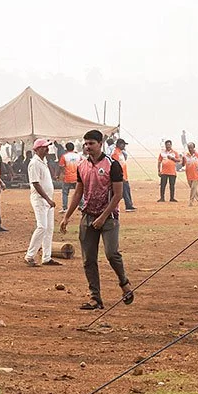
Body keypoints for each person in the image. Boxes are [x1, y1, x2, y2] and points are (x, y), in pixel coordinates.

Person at [67, 129, 133, 309]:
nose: (88, 147)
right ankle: (95, 298)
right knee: (89, 260)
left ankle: (124, 283)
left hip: (109, 217)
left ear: (100, 144)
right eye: (86, 144)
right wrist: (67, 217)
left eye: (91, 144)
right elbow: (78, 191)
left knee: (112, 254)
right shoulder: (82, 165)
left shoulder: (113, 165)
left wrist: (103, 217)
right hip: (88, 216)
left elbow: (118, 195)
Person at [25, 139, 61, 266]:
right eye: (44, 147)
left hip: (47, 200)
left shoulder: (43, 161)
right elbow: (35, 183)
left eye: (47, 147)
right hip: (40, 199)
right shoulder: (34, 163)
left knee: (49, 228)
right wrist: (47, 199)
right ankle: (30, 256)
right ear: (37, 149)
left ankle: (47, 257)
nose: (47, 149)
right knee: (42, 227)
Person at [112, 138, 135, 211]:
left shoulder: (121, 152)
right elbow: (115, 165)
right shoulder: (115, 153)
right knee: (124, 191)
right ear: (119, 144)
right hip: (120, 175)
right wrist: (119, 175)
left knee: (126, 190)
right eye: (123, 144)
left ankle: (129, 204)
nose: (124, 146)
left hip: (125, 175)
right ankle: (128, 205)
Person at [183, 141, 198, 205]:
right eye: (189, 148)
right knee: (194, 189)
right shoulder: (186, 155)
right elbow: (183, 164)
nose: (190, 149)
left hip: (196, 175)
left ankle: (191, 201)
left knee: (193, 188)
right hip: (188, 174)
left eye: (191, 148)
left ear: (194, 148)